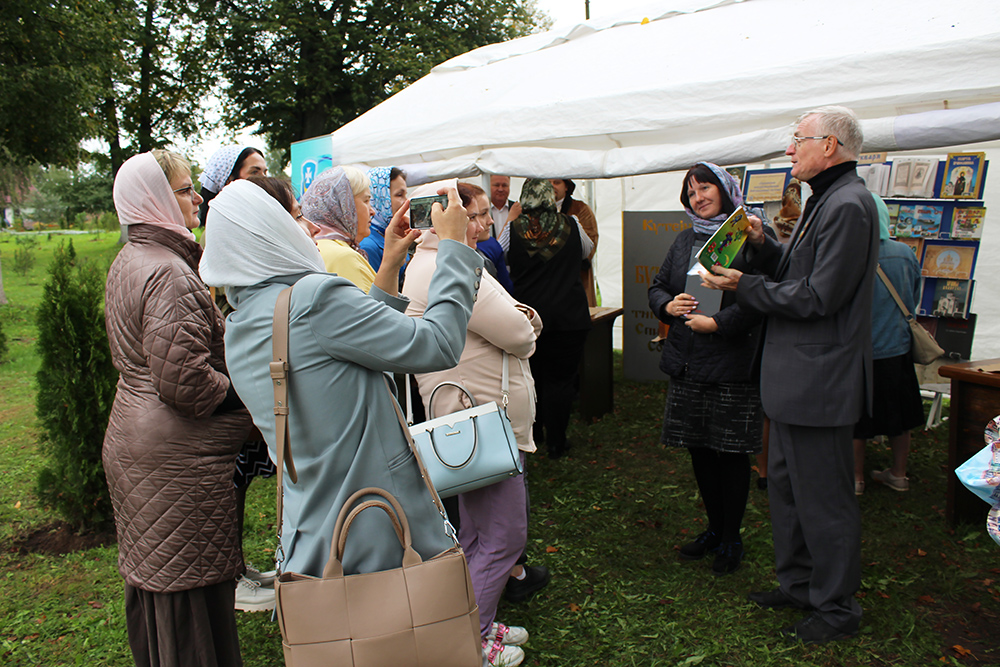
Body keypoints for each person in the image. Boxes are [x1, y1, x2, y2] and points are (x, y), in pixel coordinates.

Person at [200, 178, 483, 615]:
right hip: (378, 522)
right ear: (269, 231)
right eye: (295, 217)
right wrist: (455, 247)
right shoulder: (313, 299)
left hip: (315, 529)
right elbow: (437, 344)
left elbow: (349, 359)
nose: (307, 228)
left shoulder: (241, 323)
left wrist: (389, 265)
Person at [702, 106, 878, 643]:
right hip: (795, 381)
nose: (789, 149)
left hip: (818, 383)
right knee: (785, 488)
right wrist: (762, 247)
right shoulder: (826, 200)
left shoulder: (848, 204)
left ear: (830, 146)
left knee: (823, 500)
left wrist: (743, 286)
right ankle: (800, 583)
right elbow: (800, 274)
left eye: (797, 140)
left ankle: (836, 607)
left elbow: (820, 296)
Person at [103, 150, 253, 666]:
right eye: (186, 190)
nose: (196, 199)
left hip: (139, 444)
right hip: (173, 460)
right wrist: (251, 389)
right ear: (157, 199)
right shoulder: (168, 271)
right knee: (187, 594)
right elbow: (186, 384)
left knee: (159, 584)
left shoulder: (132, 258)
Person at [403, 180, 541, 667]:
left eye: (485, 214)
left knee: (478, 534)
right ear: (449, 216)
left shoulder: (428, 263)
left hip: (468, 421)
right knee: (504, 536)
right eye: (475, 214)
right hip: (485, 421)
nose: (483, 224)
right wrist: (526, 320)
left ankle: (474, 622)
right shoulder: (452, 264)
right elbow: (520, 334)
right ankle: (472, 641)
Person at [647, 162, 768, 575]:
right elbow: (658, 285)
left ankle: (732, 538)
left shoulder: (748, 239)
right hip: (688, 362)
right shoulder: (684, 241)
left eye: (705, 188)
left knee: (730, 454)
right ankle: (714, 529)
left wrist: (717, 323)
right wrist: (668, 304)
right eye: (691, 192)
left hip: (731, 364)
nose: (698, 197)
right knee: (699, 449)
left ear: (725, 188)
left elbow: (762, 303)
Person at [508, 179, 591, 460]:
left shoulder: (512, 229)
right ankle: (557, 442)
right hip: (569, 315)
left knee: (531, 376)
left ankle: (535, 433)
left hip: (528, 317)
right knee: (561, 380)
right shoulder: (572, 224)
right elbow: (586, 251)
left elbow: (497, 255)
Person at [854, 194, 925, 494]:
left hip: (860, 351)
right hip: (897, 348)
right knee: (901, 416)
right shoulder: (904, 253)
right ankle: (898, 473)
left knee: (855, 418)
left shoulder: (850, 255)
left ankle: (855, 479)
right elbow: (914, 297)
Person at [300, 166, 378, 291]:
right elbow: (377, 309)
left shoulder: (310, 246)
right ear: (345, 205)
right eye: (366, 201)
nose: (372, 211)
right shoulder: (345, 257)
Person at [551, 178, 599, 306]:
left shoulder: (581, 209)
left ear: (566, 186)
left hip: (576, 280)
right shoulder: (535, 211)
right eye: (548, 183)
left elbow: (591, 242)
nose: (552, 186)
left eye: (556, 182)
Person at [197, 146, 267, 227]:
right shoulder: (221, 226)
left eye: (265, 172)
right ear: (229, 179)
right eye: (254, 172)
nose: (264, 179)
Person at [359, 166, 409, 273]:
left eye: (406, 195)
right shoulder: (368, 245)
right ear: (378, 198)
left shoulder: (390, 233)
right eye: (399, 195)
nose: (406, 201)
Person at [489, 174, 516, 243]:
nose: (500, 189)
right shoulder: (482, 209)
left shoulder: (517, 209)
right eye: (496, 185)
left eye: (504, 185)